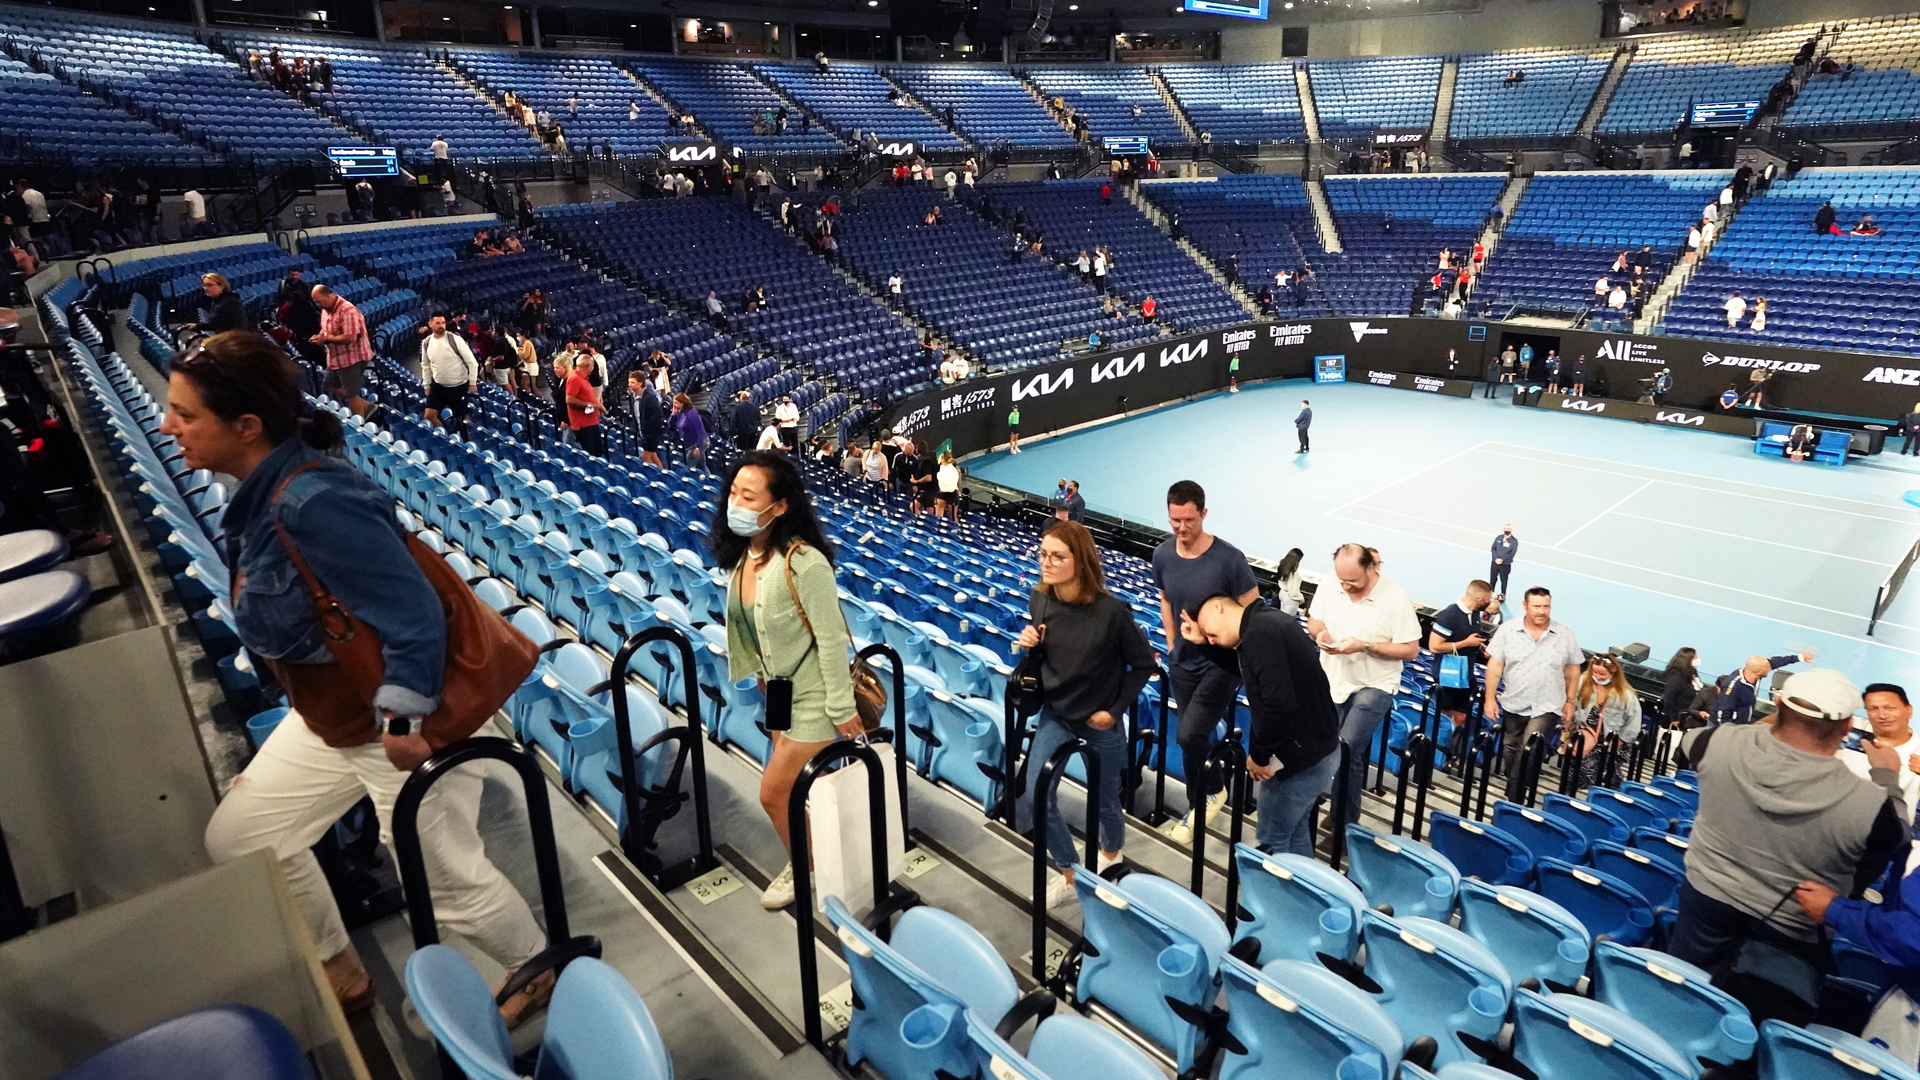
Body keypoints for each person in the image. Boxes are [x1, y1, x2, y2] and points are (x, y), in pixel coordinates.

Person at [170, 332, 549, 1025]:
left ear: (246, 427)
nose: (170, 427)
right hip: (334, 714)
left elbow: (413, 615)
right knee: (242, 836)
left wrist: (403, 718)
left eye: (186, 415)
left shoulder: (312, 502)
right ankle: (339, 966)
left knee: (444, 880)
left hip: (393, 717)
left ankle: (536, 967)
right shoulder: (266, 496)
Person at [1671, 670, 1907, 982]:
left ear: (1778, 705)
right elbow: (1898, 840)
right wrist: (1888, 777)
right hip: (1793, 927)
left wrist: (1764, 727)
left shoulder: (1715, 741)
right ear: (1848, 726)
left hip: (1704, 898)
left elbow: (1683, 751)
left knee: (1686, 982)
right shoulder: (1868, 802)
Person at [713, 451, 863, 909]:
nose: (735, 503)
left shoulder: (806, 564)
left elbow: (830, 641)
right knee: (794, 787)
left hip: (816, 696)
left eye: (748, 496)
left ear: (779, 507)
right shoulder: (744, 557)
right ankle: (818, 851)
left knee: (772, 792)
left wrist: (842, 711)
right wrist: (760, 671)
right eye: (734, 492)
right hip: (778, 691)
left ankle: (809, 869)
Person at [1019, 522, 1156, 907]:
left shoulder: (1112, 612)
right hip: (1056, 714)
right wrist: (1030, 643)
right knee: (1035, 795)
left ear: (1080, 561)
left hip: (1101, 722)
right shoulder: (1039, 599)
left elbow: (1144, 666)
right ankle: (1070, 872)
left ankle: (1112, 857)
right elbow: (1046, 654)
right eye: (1043, 554)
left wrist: (1113, 712)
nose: (1046, 563)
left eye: (1057, 556)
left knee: (1106, 800)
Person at [1183, 588, 1340, 858]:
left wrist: (1260, 754)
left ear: (1218, 608)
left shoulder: (1260, 634)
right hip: (1316, 752)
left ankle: (1273, 898)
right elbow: (1245, 669)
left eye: (1209, 632)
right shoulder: (1263, 624)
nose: (1211, 639)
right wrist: (1201, 643)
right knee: (1294, 832)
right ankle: (1308, 896)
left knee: (1272, 841)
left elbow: (1278, 704)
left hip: (1298, 759)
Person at [1154, 481, 1261, 846]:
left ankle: (1215, 790)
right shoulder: (1162, 555)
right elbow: (1166, 600)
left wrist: (1227, 640)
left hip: (1223, 664)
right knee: (1190, 741)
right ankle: (1195, 807)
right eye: (1174, 521)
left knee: (1189, 734)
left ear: (1203, 513)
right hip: (1183, 661)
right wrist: (1172, 642)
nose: (1181, 528)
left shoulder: (1230, 560)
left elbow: (1253, 613)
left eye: (1188, 520)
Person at [1308, 543, 1421, 830]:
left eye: (1353, 581)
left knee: (1345, 748)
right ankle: (1335, 816)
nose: (1346, 586)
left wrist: (1366, 646)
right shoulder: (1330, 582)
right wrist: (1321, 634)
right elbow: (1314, 621)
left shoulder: (1395, 597)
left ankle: (1341, 825)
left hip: (1375, 684)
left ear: (1372, 568)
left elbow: (1410, 650)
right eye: (1342, 580)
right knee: (1337, 751)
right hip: (1332, 679)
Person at [1484, 587, 1584, 798]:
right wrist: (1489, 699)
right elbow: (1495, 666)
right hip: (1514, 701)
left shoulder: (1565, 634)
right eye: (1537, 606)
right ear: (1525, 606)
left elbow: (1573, 669)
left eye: (1546, 606)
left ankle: (1514, 799)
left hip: (1548, 705)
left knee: (1528, 749)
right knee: (1511, 747)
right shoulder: (1507, 631)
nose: (1542, 611)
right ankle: (1520, 781)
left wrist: (1569, 701)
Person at [1429, 581, 1494, 762]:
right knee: (1444, 717)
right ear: (1480, 599)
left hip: (1465, 676)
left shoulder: (1475, 613)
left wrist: (1480, 647)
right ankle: (1436, 754)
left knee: (1462, 717)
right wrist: (1466, 643)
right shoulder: (1449, 616)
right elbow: (1434, 646)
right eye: (1488, 599)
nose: (1491, 602)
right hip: (1447, 676)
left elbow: (1470, 638)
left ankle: (1450, 752)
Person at [1838, 684, 1920, 823]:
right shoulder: (1845, 729)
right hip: (1833, 823)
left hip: (1887, 831)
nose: (1882, 715)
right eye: (1873, 709)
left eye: (1890, 708)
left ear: (1909, 710)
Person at [1567, 654, 1641, 789]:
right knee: (1573, 773)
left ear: (1613, 674)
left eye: (1603, 674)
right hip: (1583, 739)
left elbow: (1633, 723)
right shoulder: (1583, 683)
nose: (1598, 677)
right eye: (1595, 672)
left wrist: (1618, 743)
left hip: (1611, 743)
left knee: (1605, 776)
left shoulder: (1626, 696)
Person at [311, 285, 372, 418]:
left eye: (318, 301)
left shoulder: (348, 311)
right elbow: (325, 328)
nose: (317, 305)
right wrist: (321, 336)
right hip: (334, 358)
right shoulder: (326, 309)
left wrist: (326, 339)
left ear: (328, 296)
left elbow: (349, 337)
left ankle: (361, 423)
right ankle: (367, 405)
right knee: (329, 384)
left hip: (352, 357)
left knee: (352, 394)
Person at [1711, 651, 1814, 726]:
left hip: (1742, 723)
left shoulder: (1754, 671)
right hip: (1725, 727)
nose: (1770, 668)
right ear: (1758, 671)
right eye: (1767, 668)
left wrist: (1800, 657)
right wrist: (1726, 732)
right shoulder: (1733, 687)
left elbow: (1776, 661)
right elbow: (1722, 711)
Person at [418, 314, 479, 435]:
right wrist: (427, 385)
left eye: (443, 323)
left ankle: (467, 440)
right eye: (437, 323)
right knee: (429, 415)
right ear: (430, 324)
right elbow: (425, 365)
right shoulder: (427, 342)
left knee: (462, 419)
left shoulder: (454, 339)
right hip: (439, 385)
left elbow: (472, 362)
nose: (441, 326)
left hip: (458, 386)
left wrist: (472, 382)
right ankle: (447, 437)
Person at [564, 351, 605, 457]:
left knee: (598, 452)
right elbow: (569, 400)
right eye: (592, 364)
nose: (593, 367)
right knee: (591, 455)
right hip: (584, 425)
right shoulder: (575, 379)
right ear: (587, 366)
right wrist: (591, 405)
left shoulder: (583, 378)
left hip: (591, 422)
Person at [1661, 647, 1703, 727]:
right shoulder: (1676, 678)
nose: (1698, 659)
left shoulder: (1691, 672)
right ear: (1688, 659)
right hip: (1680, 719)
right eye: (1695, 657)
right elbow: (1669, 699)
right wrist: (1674, 718)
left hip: (1690, 715)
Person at [669, 392, 707, 465]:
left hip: (697, 443)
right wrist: (673, 415)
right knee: (701, 466)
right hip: (688, 444)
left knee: (689, 466)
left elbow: (701, 432)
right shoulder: (680, 413)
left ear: (682, 403)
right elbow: (671, 427)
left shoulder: (692, 414)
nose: (674, 405)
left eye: (676, 403)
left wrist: (698, 447)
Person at [1489, 523, 1517, 597]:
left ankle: (1503, 594)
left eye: (1508, 529)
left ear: (1511, 530)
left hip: (1505, 564)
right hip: (1495, 563)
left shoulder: (1514, 541)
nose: (1507, 530)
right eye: (1505, 529)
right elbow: (1493, 548)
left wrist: (1502, 560)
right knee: (1492, 579)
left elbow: (1512, 553)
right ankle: (1491, 593)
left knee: (1504, 580)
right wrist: (1496, 558)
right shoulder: (1499, 538)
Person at [936, 452, 962, 520]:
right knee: (939, 516)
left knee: (953, 517)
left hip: (951, 494)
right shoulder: (942, 468)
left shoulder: (953, 470)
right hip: (944, 494)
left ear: (943, 459)